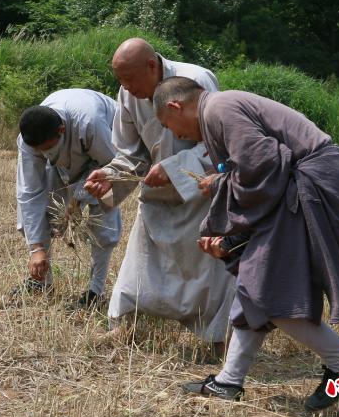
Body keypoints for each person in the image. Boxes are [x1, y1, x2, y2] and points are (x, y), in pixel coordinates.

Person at [152, 76, 339, 410]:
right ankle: (228, 381)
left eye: (169, 126)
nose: (175, 135)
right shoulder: (219, 113)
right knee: (253, 288)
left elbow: (262, 165)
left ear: (175, 106)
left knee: (270, 289)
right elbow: (260, 172)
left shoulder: (220, 108)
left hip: (312, 184)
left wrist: (219, 184)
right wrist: (231, 236)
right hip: (305, 185)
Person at [83, 39, 234, 359]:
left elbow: (218, 142)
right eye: (120, 80)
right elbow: (130, 153)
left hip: (201, 192)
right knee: (140, 264)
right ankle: (121, 327)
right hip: (156, 196)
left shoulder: (196, 80)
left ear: (152, 66)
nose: (126, 87)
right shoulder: (128, 94)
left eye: (130, 79)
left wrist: (176, 169)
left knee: (207, 272)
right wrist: (111, 175)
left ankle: (216, 340)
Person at [13, 89, 122, 308]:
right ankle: (41, 282)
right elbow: (29, 193)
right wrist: (36, 249)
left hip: (104, 161)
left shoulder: (90, 122)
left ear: (62, 130)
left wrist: (77, 200)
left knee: (103, 222)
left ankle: (95, 291)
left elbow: (114, 166)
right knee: (33, 215)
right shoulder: (29, 142)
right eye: (39, 152)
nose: (43, 155)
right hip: (64, 163)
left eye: (46, 149)